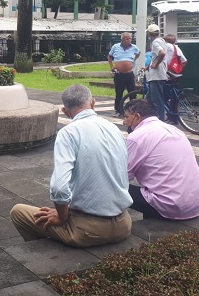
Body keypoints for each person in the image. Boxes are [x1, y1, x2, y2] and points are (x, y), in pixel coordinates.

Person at [10, 84, 132, 248]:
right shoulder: (114, 128)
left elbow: (59, 188)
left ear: (65, 111)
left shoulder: (68, 133)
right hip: (124, 223)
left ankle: (46, 253)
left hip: (89, 231)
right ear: (93, 103)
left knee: (18, 212)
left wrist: (62, 216)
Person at [123, 99, 199, 220]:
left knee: (112, 187)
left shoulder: (137, 137)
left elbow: (122, 175)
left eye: (127, 117)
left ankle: (112, 225)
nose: (124, 122)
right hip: (195, 203)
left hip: (170, 205)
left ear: (137, 117)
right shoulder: (174, 130)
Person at [108, 32, 140, 117]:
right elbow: (110, 56)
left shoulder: (134, 48)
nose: (129, 40)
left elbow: (138, 53)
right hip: (119, 74)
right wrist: (112, 66)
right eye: (127, 38)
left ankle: (133, 110)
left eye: (130, 38)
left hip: (129, 74)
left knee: (132, 93)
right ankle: (118, 110)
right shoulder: (116, 46)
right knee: (119, 93)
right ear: (122, 39)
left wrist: (132, 60)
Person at [146, 24, 168, 121]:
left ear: (149, 34)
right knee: (149, 98)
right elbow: (155, 57)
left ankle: (161, 120)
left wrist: (156, 64)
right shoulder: (162, 41)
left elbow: (162, 53)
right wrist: (148, 67)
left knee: (157, 101)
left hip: (157, 76)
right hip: (158, 74)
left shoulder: (155, 43)